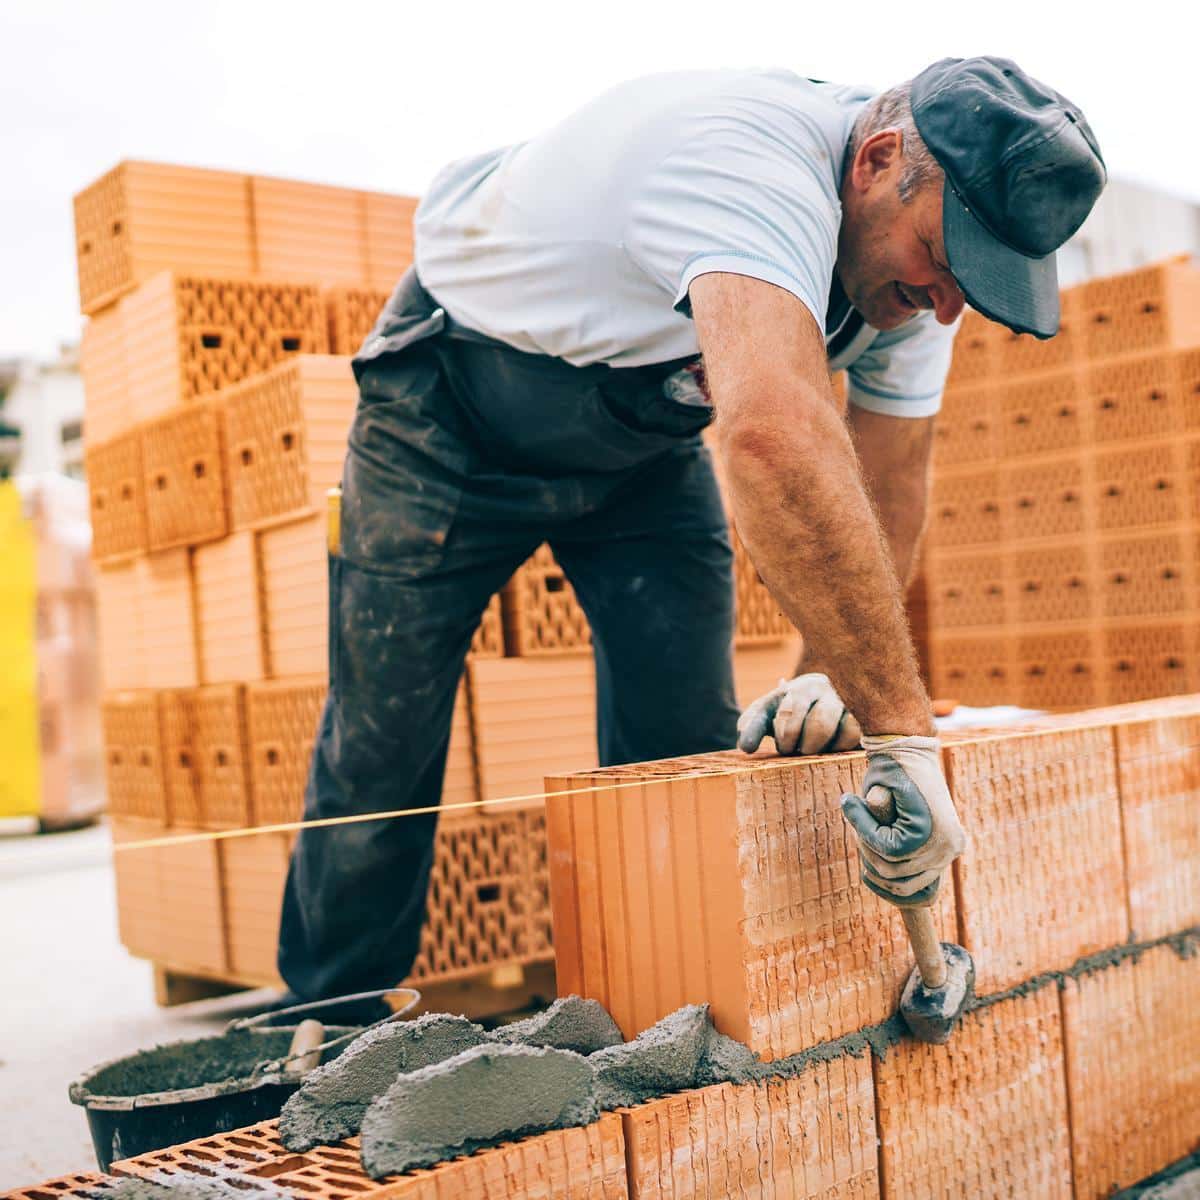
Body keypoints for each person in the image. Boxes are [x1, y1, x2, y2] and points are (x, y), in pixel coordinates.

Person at [276, 56, 1106, 1003]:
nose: (951, 304)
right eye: (947, 261)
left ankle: (661, 1014)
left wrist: (829, 688)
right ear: (876, 161)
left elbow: (889, 479)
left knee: (678, 743)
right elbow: (772, 432)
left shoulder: (918, 271)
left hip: (640, 438)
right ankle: (324, 1028)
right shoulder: (744, 165)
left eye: (979, 282)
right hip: (452, 404)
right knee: (382, 741)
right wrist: (902, 733)